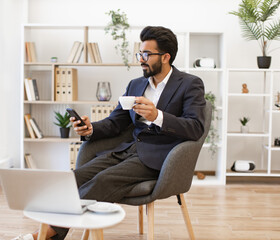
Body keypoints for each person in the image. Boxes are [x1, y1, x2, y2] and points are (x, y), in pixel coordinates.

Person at [13, 25, 206, 240]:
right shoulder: (136, 84)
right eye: (139, 53)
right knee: (72, 178)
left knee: (103, 180)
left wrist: (157, 116)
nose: (140, 59)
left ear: (165, 57)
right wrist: (91, 128)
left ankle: (44, 235)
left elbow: (195, 127)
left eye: (146, 54)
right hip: (126, 150)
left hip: (159, 157)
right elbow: (116, 122)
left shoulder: (189, 84)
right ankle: (51, 234)